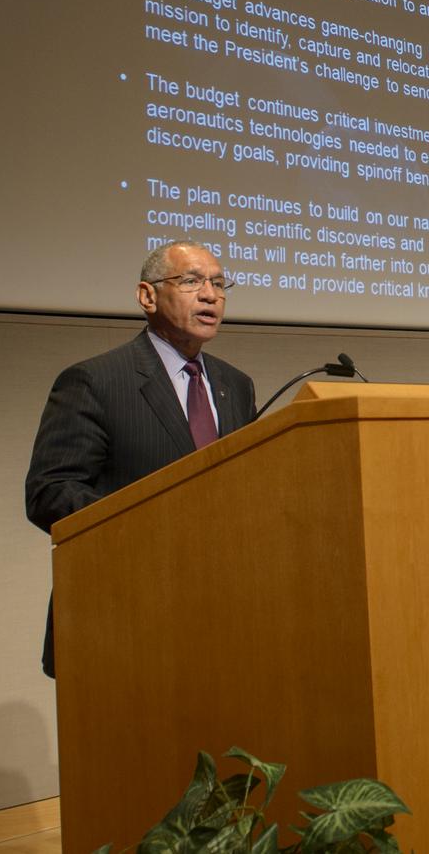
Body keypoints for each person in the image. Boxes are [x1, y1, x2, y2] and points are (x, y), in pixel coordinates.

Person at [25, 239, 256, 675]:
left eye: (220, 284)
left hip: (220, 614)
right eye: (191, 281)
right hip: (120, 615)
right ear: (147, 296)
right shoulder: (95, 381)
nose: (211, 295)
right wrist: (153, 525)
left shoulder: (235, 384)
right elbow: (50, 492)